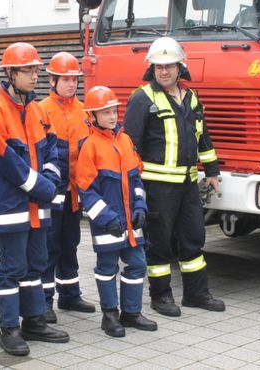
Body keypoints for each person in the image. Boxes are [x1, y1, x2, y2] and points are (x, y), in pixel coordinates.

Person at [0, 42, 70, 356]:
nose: (34, 76)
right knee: (12, 268)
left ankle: (33, 321)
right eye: (28, 70)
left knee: (35, 265)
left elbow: (52, 149)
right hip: (11, 207)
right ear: (10, 73)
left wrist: (53, 178)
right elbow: (8, 164)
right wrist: (44, 187)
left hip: (36, 206)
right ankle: (9, 328)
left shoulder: (36, 110)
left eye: (35, 69)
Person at [123, 37, 225, 317]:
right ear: (151, 69)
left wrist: (213, 172)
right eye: (158, 67)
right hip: (157, 187)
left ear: (180, 67)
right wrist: (134, 187)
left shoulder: (191, 98)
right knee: (159, 241)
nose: (164, 72)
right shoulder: (142, 98)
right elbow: (130, 146)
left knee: (193, 237)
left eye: (169, 66)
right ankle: (161, 296)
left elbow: (203, 137)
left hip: (188, 185)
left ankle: (196, 293)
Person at [76, 86, 157, 337]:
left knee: (137, 264)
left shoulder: (125, 140)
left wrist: (141, 206)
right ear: (93, 116)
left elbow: (136, 181)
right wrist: (107, 218)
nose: (112, 116)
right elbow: (86, 191)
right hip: (108, 224)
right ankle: (109, 315)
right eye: (105, 112)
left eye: (114, 111)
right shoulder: (89, 146)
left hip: (131, 222)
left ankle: (131, 313)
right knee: (107, 267)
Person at [39, 52, 95, 323]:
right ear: (52, 80)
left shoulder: (83, 111)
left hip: (74, 193)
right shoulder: (42, 110)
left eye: (74, 80)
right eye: (66, 79)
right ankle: (44, 301)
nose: (71, 85)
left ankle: (70, 294)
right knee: (49, 247)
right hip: (52, 193)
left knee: (71, 244)